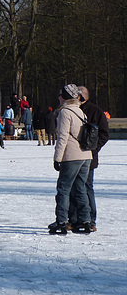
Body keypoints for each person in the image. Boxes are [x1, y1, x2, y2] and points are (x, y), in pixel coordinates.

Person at [49, 84, 92, 234]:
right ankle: (85, 220)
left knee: (63, 188)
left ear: (66, 96)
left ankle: (61, 221)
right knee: (80, 188)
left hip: (72, 156)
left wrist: (57, 158)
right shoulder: (80, 111)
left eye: (60, 95)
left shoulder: (65, 112)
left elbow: (63, 137)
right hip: (86, 155)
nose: (59, 97)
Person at [68, 86, 110, 232]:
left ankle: (90, 220)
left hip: (89, 158)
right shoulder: (73, 110)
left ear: (81, 96)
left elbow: (104, 134)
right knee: (73, 187)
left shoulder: (95, 111)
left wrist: (93, 150)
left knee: (86, 188)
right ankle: (73, 219)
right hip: (74, 156)